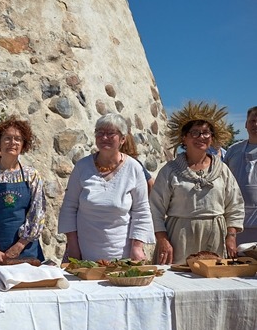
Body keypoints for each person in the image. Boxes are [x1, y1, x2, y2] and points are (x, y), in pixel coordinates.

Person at [151, 102, 244, 265]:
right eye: (194, 133)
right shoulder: (171, 170)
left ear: (212, 138)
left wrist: (231, 236)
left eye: (206, 133)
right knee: (179, 282)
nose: (201, 137)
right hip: (179, 237)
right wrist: (163, 240)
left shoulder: (222, 170)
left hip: (215, 236)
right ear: (183, 138)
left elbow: (235, 205)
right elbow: (155, 208)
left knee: (212, 281)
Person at [59, 113, 154, 261]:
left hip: (123, 257)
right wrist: (72, 245)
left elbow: (141, 210)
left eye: (111, 134)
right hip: (83, 255)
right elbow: (69, 207)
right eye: (100, 133)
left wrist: (137, 247)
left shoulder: (134, 169)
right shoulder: (82, 167)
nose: (104, 138)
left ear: (122, 139)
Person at [0, 118, 46, 267]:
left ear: (23, 144)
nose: (13, 142)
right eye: (7, 138)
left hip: (26, 252)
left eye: (18, 139)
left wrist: (19, 246)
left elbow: (37, 213)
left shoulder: (32, 176)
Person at [223, 106, 257, 245]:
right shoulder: (233, 150)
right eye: (252, 120)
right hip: (236, 225)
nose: (256, 124)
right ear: (246, 124)